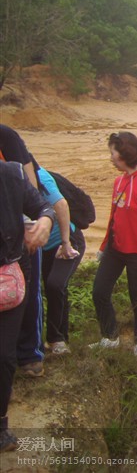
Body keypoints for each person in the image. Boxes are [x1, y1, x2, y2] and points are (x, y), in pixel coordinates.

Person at [90, 133, 137, 356]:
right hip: (116, 250)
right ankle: (110, 336)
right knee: (99, 291)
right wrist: (105, 246)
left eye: (113, 153)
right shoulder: (119, 181)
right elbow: (114, 217)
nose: (111, 158)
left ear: (124, 155)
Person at [0, 160, 54, 452]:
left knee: (4, 356)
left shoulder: (9, 174)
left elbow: (43, 206)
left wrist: (45, 221)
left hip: (7, 281)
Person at [1, 126, 44, 377]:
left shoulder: (6, 136)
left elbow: (28, 182)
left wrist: (32, 224)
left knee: (26, 291)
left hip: (17, 229)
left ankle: (30, 352)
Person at [36, 167, 86, 355]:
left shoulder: (40, 176)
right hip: (43, 245)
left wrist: (66, 243)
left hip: (67, 240)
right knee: (51, 288)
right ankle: (56, 338)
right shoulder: (13, 175)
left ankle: (56, 339)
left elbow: (61, 205)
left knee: (55, 285)